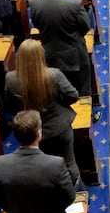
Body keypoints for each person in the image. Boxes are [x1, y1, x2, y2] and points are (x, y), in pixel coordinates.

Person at [6, 38, 83, 187]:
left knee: (43, 167)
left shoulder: (10, 79)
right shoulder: (53, 74)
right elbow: (73, 95)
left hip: (30, 131)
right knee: (68, 163)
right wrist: (59, 103)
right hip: (59, 127)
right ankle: (76, 195)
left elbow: (9, 105)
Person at [27, 0, 93, 106]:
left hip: (49, 54)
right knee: (82, 90)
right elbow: (86, 26)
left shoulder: (34, 3)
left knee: (57, 89)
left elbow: (37, 25)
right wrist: (74, 36)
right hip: (74, 55)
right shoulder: (74, 3)